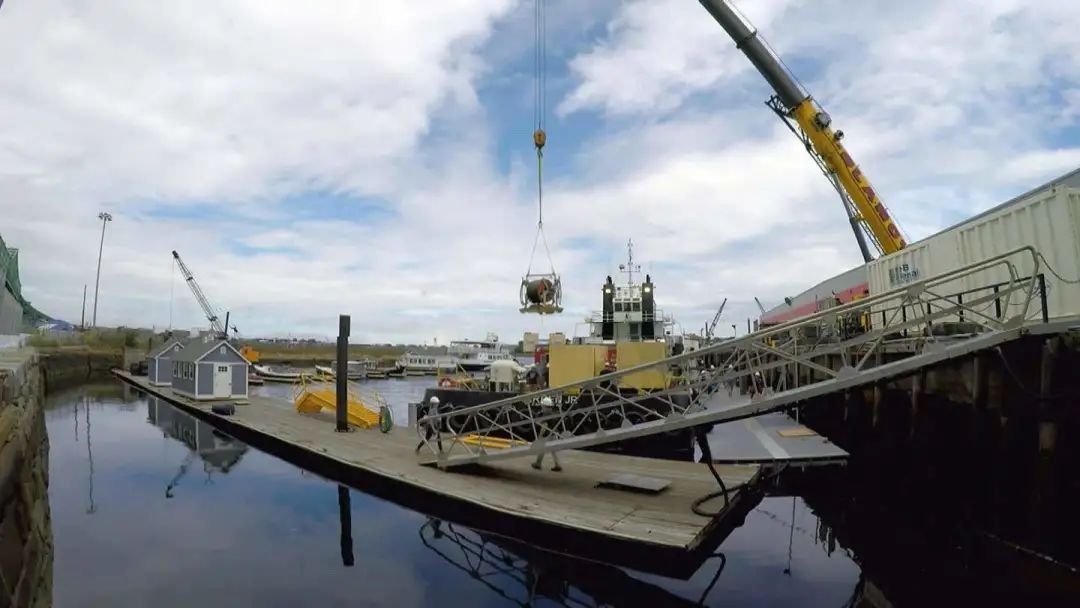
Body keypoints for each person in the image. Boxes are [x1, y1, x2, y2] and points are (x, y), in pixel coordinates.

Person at [531, 395, 562, 472]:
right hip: (554, 434)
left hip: (547, 435)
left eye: (542, 406)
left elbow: (544, 426)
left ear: (544, 406)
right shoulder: (552, 413)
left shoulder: (546, 415)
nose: (542, 408)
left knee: (542, 449)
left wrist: (539, 436)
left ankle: (538, 463)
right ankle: (557, 465)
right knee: (553, 450)